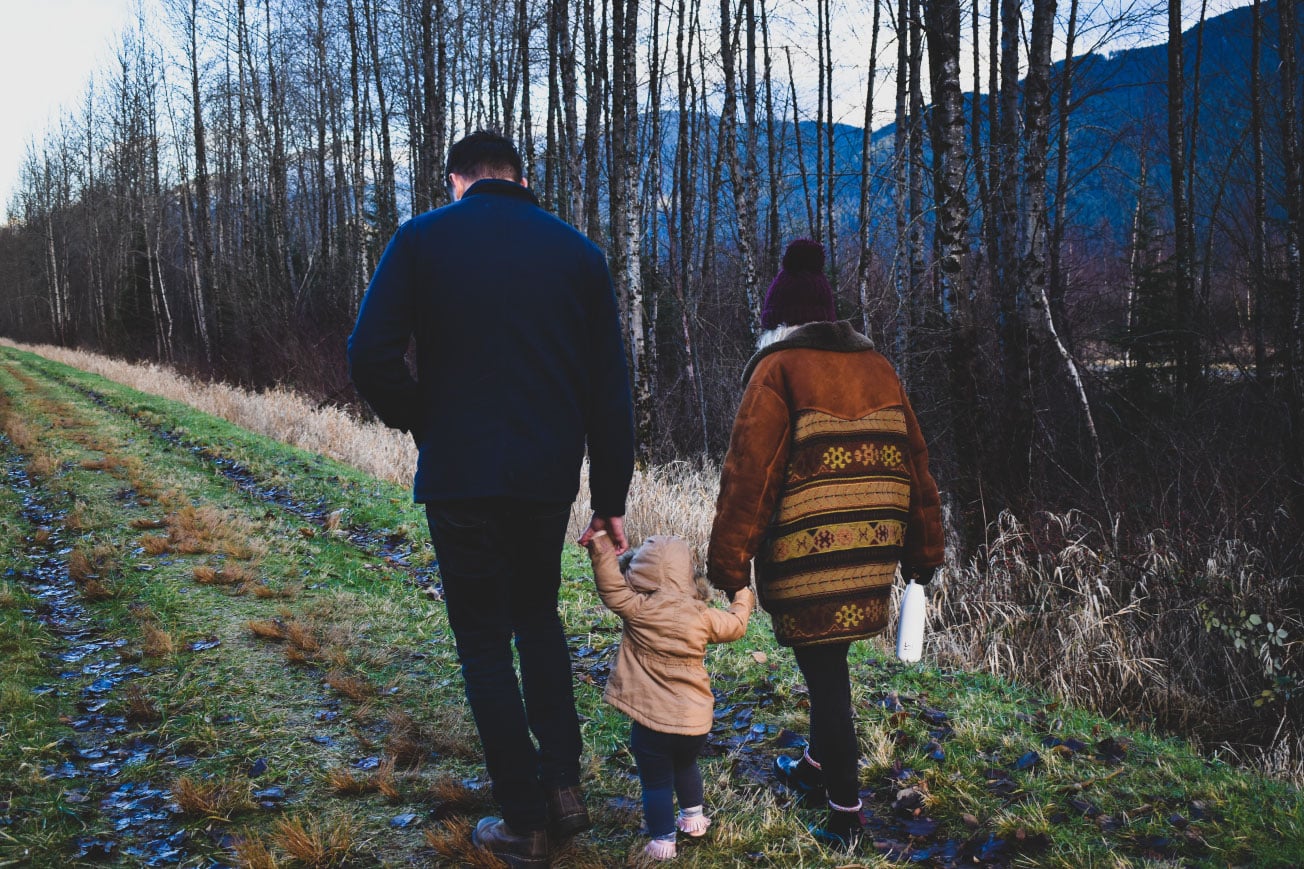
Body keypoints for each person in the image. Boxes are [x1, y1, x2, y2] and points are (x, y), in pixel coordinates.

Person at [347, 130, 635, 868]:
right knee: (537, 619)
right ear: (517, 177)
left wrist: (420, 415)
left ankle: (522, 818)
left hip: (461, 475)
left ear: (457, 180)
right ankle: (564, 785)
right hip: (545, 480)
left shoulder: (422, 240)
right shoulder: (579, 255)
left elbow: (368, 353)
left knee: (481, 638)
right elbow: (611, 393)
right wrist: (608, 496)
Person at [706, 239, 944, 849]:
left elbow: (748, 477)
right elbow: (916, 465)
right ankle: (815, 766)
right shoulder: (880, 368)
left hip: (808, 558)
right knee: (828, 662)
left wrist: (729, 564)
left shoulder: (775, 370)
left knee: (827, 675)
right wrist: (924, 551)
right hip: (872, 554)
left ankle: (845, 813)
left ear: (776, 322)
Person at [584, 531, 753, 861]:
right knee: (686, 765)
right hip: (695, 720)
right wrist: (742, 594)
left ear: (642, 570)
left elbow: (609, 585)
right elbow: (737, 625)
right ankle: (693, 819)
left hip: (652, 718)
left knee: (656, 781)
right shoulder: (702, 616)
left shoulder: (637, 607)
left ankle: (663, 841)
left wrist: (601, 544)